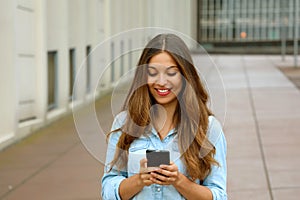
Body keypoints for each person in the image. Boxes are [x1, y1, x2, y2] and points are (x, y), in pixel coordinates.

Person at [101, 33, 227, 200]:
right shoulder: (125, 123)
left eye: (171, 73)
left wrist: (179, 181)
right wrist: (139, 180)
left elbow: (218, 196)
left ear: (185, 76)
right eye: (152, 72)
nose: (161, 82)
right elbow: (108, 191)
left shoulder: (208, 128)